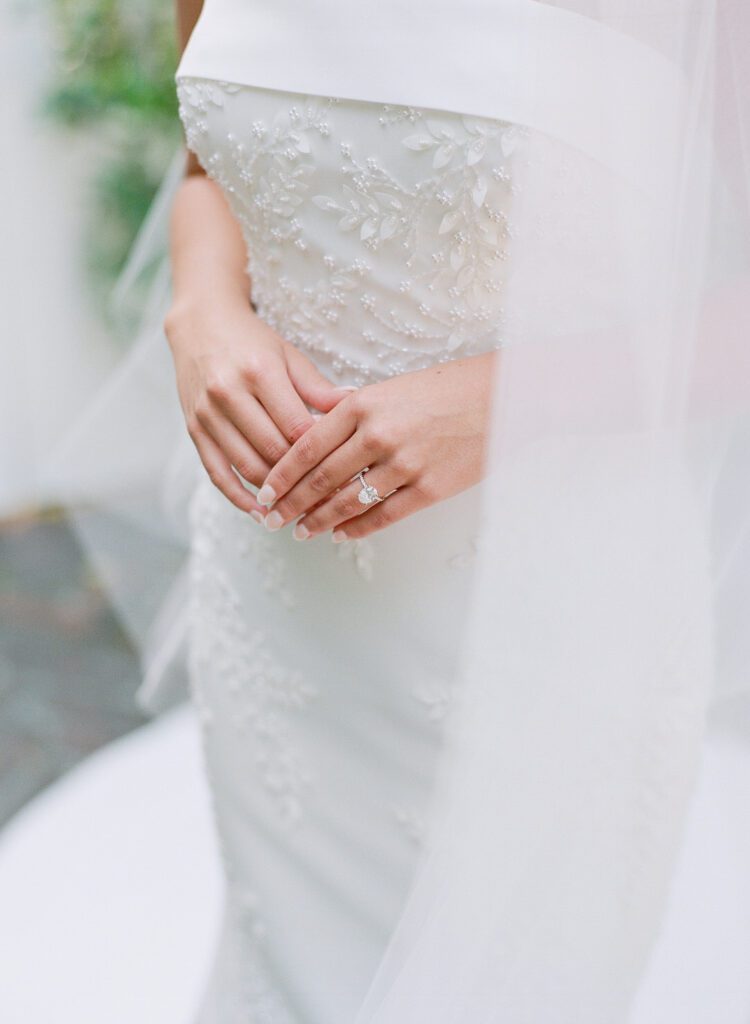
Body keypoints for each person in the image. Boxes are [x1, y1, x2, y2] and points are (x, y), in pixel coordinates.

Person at [75, 1, 750, 1020]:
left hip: (550, 614)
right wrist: (203, 312)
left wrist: (498, 406)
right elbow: (207, 169)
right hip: (283, 612)